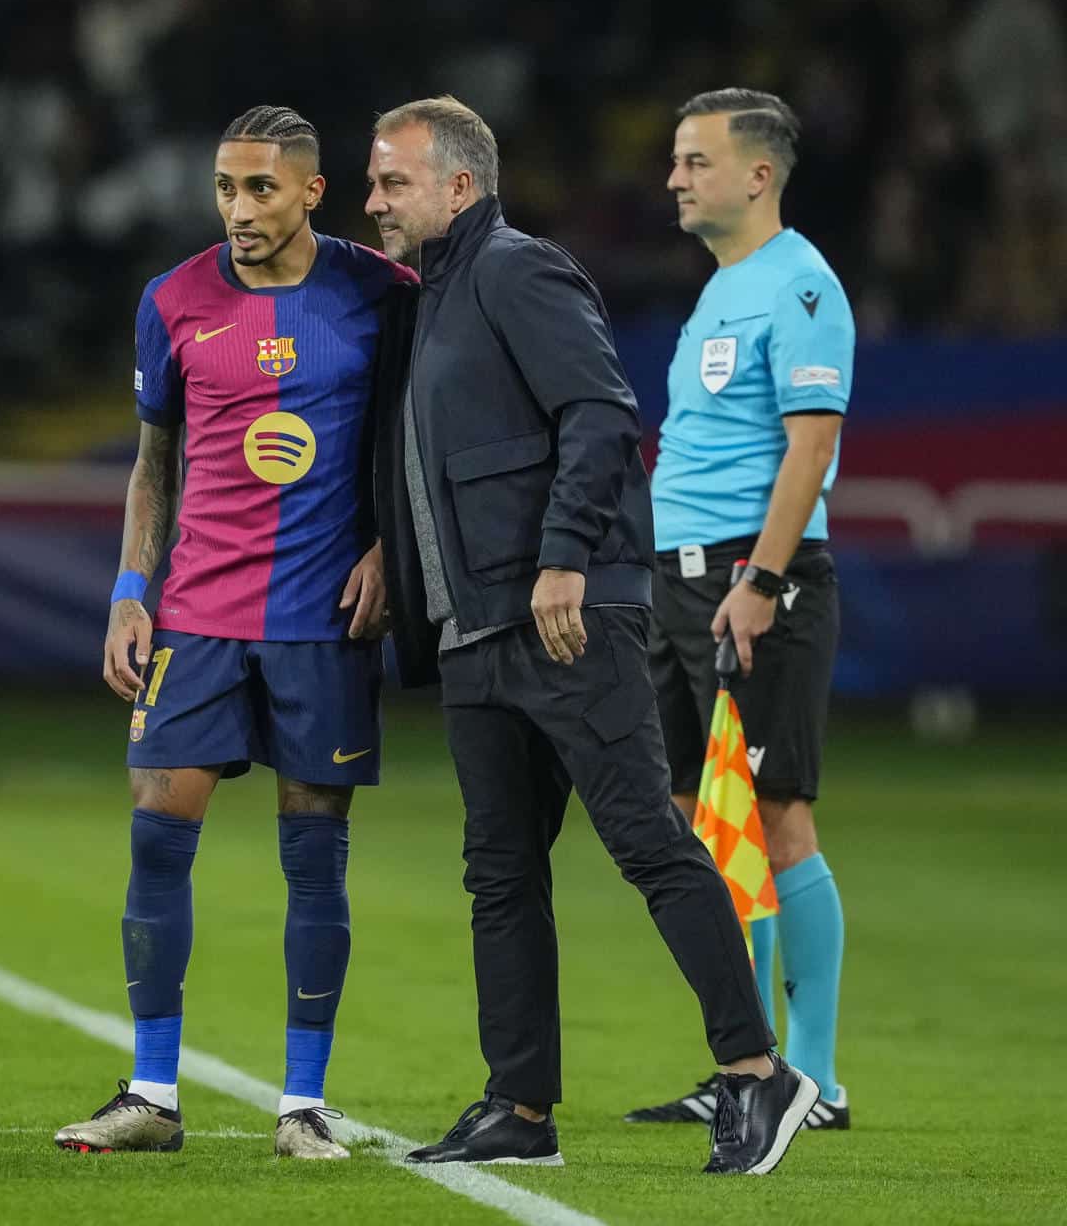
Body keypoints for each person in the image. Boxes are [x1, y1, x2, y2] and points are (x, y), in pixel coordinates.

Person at [362, 95, 816, 1175]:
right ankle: (519, 1105)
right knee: (501, 869)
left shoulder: (519, 270)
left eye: (391, 181)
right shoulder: (429, 298)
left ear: (459, 186)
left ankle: (758, 1074)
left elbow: (602, 413)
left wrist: (565, 553)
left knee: (647, 843)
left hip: (564, 613)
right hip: (476, 624)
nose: (374, 200)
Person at [53, 105, 411, 1160]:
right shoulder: (172, 300)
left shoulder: (382, 296)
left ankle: (303, 1104)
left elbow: (408, 442)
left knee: (316, 856)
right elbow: (152, 460)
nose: (239, 208)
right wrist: (130, 586)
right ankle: (151, 1094)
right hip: (199, 612)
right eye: (225, 187)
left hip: (321, 619)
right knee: (157, 836)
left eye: (261, 188)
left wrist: (390, 546)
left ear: (312, 191)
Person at [624, 89, 852, 1132]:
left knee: (776, 817)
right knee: (698, 821)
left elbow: (808, 449)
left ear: (756, 175)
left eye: (693, 161)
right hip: (681, 583)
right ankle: (747, 1062)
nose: (674, 178)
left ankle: (813, 1077)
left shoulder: (801, 286)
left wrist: (758, 583)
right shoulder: (723, 288)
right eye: (675, 160)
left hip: (757, 581)